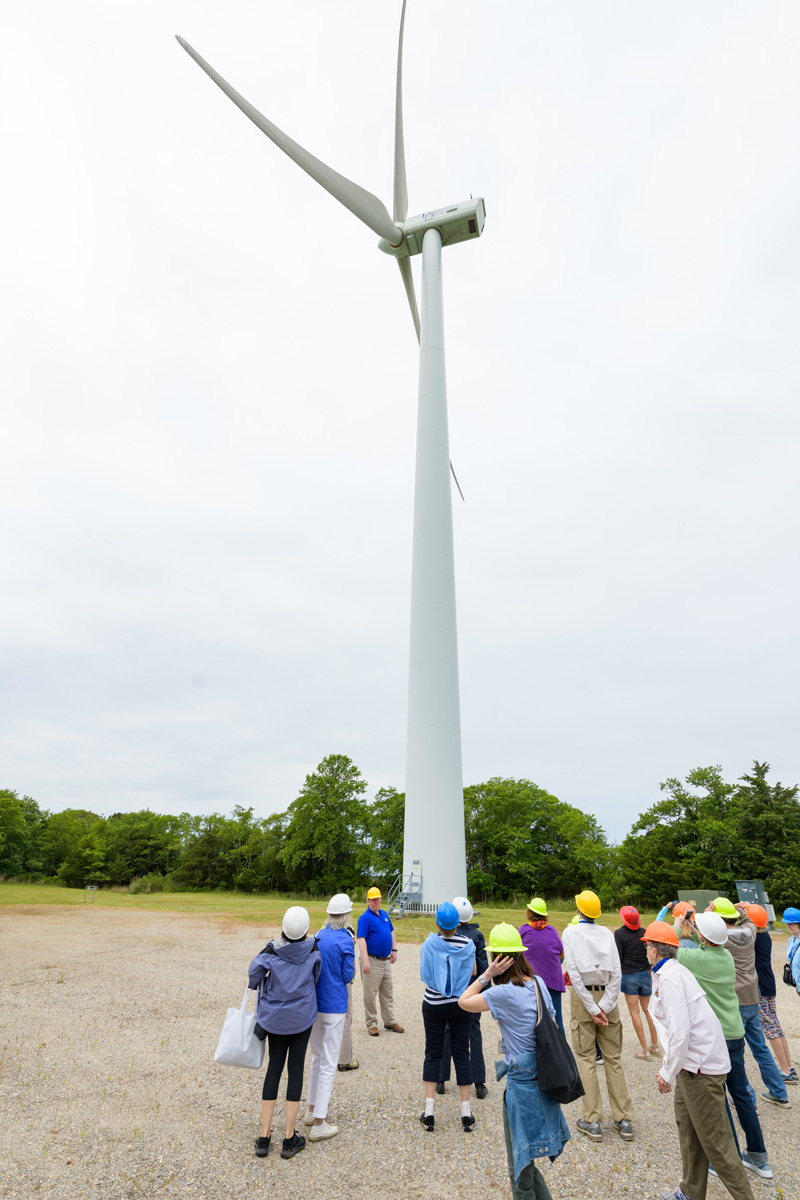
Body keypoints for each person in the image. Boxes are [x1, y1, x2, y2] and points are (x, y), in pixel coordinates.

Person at [642, 921, 755, 1200]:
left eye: (647, 946)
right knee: (688, 1130)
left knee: (717, 1144)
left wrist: (666, 1072)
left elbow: (680, 1032)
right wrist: (672, 1069)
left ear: (655, 950)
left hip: (700, 1068)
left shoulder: (671, 977)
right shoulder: (670, 972)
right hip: (689, 1066)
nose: (645, 950)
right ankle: (690, 1192)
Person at [458, 923, 571, 1200]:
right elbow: (553, 1023)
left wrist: (486, 975)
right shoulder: (538, 983)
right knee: (527, 1160)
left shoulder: (502, 993)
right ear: (520, 955)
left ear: (497, 959)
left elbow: (463, 1001)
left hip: (521, 1080)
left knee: (518, 1167)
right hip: (544, 1072)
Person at [674, 909, 772, 1181]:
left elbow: (667, 947)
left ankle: (725, 1159)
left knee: (718, 1098)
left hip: (715, 1037)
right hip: (735, 1031)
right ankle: (759, 1157)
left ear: (704, 938)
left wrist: (680, 923)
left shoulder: (698, 959)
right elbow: (707, 942)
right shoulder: (726, 956)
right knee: (741, 1094)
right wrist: (699, 928)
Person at [248, 906, 321, 1160]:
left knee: (274, 1068)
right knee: (296, 1069)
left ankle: (264, 1136)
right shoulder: (313, 949)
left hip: (275, 1019)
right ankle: (289, 1138)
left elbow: (253, 975)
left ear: (283, 927)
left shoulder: (272, 950)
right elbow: (317, 975)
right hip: (301, 1017)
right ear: (306, 929)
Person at [562, 890, 634, 1142]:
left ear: (578, 910)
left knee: (586, 1058)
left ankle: (593, 1121)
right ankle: (624, 1119)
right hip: (608, 997)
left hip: (584, 998)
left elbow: (574, 973)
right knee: (613, 1058)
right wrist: (605, 1005)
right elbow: (616, 972)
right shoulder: (606, 934)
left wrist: (593, 1008)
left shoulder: (570, 933)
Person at [709, 897, 790, 1109]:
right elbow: (750, 922)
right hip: (752, 997)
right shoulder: (750, 933)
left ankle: (747, 1099)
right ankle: (779, 1093)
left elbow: (706, 931)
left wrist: (711, 913)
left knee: (736, 1053)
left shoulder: (721, 939)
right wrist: (739, 909)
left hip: (735, 1001)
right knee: (760, 1048)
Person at [419, 902, 477, 1131]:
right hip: (460, 1003)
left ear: (437, 923)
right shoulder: (467, 944)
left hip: (434, 1003)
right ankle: (466, 1112)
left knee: (433, 1052)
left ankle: (429, 1110)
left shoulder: (429, 943)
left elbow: (425, 973)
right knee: (462, 1054)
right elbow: (473, 972)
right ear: (457, 924)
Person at [302, 893, 356, 1141]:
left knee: (317, 1059)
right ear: (346, 916)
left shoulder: (318, 936)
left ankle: (311, 1109)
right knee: (328, 1062)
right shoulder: (345, 939)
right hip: (335, 1005)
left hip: (315, 1004)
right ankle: (319, 1123)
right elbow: (347, 976)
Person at [436, 896, 488, 1099]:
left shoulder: (443, 936)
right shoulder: (476, 936)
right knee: (473, 1032)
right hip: (472, 991)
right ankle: (479, 1083)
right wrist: (484, 993)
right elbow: (483, 967)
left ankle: (441, 1080)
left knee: (446, 1031)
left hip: (450, 991)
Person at [745, 903, 796, 1085]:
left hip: (760, 987)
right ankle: (789, 1067)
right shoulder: (764, 935)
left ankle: (785, 1071)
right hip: (768, 984)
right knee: (776, 1026)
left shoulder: (753, 938)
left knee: (770, 1029)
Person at [614, 906, 661, 1060]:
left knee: (635, 1012)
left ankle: (643, 1050)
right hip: (645, 973)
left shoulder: (619, 934)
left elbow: (618, 956)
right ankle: (654, 1045)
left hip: (629, 974)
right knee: (648, 1011)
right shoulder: (644, 932)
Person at [356, 886, 403, 1036]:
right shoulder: (364, 918)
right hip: (372, 960)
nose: (377, 902)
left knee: (387, 992)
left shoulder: (383, 914)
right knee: (370, 994)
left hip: (385, 961)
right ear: (368, 901)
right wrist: (365, 960)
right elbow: (361, 939)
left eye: (378, 899)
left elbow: (391, 931)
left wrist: (394, 950)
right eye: (374, 900)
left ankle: (389, 1021)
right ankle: (372, 1024)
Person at [519, 898, 566, 1037]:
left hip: (531, 983)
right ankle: (561, 1048)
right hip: (553, 981)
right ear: (545, 915)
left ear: (529, 912)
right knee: (556, 1020)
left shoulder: (523, 931)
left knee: (531, 1019)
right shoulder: (552, 931)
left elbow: (517, 956)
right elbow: (561, 956)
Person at [336, 902, 359, 1073]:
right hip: (343, 982)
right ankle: (344, 1060)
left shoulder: (323, 932)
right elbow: (348, 970)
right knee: (346, 1017)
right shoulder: (347, 934)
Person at [784, 906, 800, 996]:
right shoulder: (791, 940)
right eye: (787, 923)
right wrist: (798, 984)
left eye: (792, 924)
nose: (788, 926)